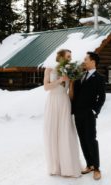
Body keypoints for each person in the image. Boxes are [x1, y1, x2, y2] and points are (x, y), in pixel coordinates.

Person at [43, 49, 82, 178]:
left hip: (65, 102)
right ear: (60, 57)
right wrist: (60, 80)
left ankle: (68, 167)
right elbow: (46, 87)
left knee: (65, 132)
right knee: (53, 132)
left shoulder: (70, 71)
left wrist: (71, 83)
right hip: (53, 102)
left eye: (71, 57)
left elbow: (70, 91)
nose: (70, 59)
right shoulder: (49, 69)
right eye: (68, 57)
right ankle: (55, 166)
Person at [69, 51, 106, 180]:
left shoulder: (99, 78)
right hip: (78, 113)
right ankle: (89, 165)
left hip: (89, 114)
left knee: (91, 140)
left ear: (93, 62)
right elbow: (75, 95)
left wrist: (95, 111)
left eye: (86, 59)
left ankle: (96, 168)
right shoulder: (80, 77)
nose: (83, 61)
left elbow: (102, 98)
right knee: (83, 140)